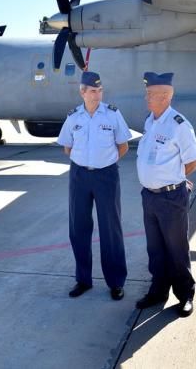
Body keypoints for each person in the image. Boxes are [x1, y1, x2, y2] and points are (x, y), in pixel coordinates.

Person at [57, 70, 131, 300]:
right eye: (92, 91)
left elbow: (123, 146)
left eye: (100, 91)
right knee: (78, 228)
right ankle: (83, 280)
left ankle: (116, 282)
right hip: (79, 176)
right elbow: (67, 147)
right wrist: (87, 163)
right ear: (82, 92)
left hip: (106, 176)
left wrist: (104, 163)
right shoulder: (74, 117)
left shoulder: (112, 115)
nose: (97, 95)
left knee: (111, 229)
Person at [136, 72, 196, 317]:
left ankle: (185, 294)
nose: (146, 97)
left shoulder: (179, 124)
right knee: (155, 249)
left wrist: (176, 179)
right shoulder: (151, 120)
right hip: (150, 196)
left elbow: (193, 159)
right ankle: (158, 291)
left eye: (150, 93)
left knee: (176, 249)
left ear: (164, 96)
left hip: (170, 197)